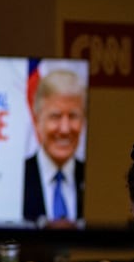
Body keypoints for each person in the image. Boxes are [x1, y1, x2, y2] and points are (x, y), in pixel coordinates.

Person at [22, 69, 86, 226]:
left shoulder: (93, 179)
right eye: (55, 116)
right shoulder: (19, 177)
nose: (65, 129)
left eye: (73, 116)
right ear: (37, 122)